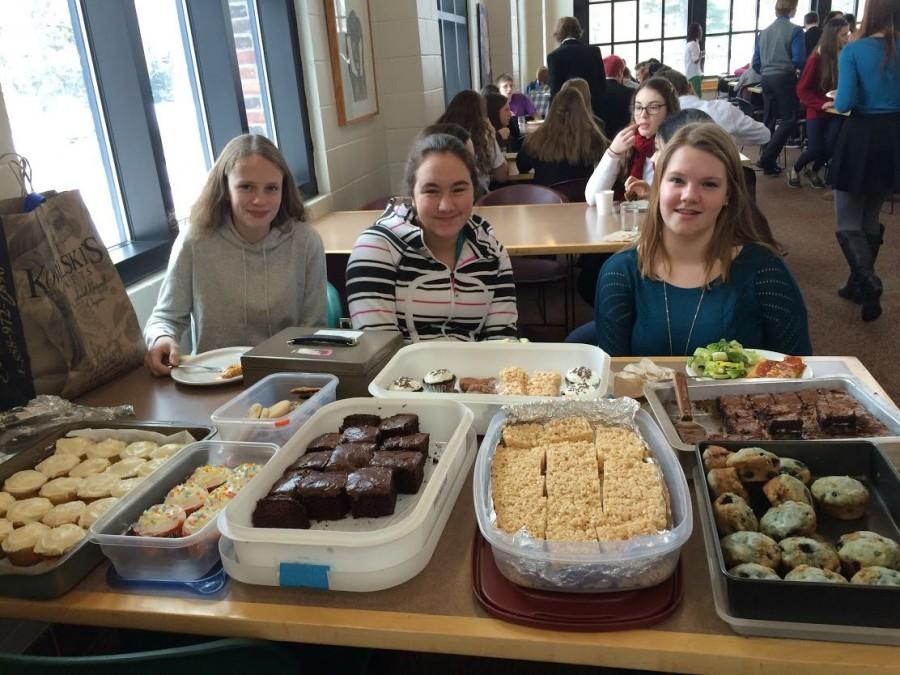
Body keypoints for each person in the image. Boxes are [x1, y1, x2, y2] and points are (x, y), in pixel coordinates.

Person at [590, 123, 811, 356]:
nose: (689, 196)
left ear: (727, 195)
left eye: (709, 184)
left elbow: (800, 374)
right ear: (658, 186)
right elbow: (612, 381)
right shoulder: (619, 273)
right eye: (677, 180)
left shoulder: (765, 271)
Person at [143, 134, 326, 376]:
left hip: (285, 376)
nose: (260, 200)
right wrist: (161, 338)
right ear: (226, 188)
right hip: (212, 379)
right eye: (246, 187)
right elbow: (166, 317)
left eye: (271, 188)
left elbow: (312, 329)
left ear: (284, 190)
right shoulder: (194, 241)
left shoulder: (306, 242)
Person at [345, 133, 518, 341]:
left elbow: (502, 342)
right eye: (431, 191)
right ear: (412, 196)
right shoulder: (376, 249)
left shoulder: (492, 251)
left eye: (459, 189)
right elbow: (379, 351)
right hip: (402, 372)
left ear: (475, 191)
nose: (446, 205)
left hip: (477, 372)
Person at [829, 0, 900, 322]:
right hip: (894, 137)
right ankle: (857, 282)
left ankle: (868, 283)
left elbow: (844, 102)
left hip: (862, 137)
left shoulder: (854, 51)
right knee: (870, 216)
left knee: (847, 220)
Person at [584, 77, 680, 203]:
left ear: (669, 111)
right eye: (638, 107)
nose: (643, 114)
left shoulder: (679, 149)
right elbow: (592, 198)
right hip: (626, 220)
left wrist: (651, 195)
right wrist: (613, 153)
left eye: (653, 107)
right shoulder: (628, 144)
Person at [789, 17, 851, 189]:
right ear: (833, 36)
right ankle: (795, 169)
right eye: (844, 35)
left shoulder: (845, 55)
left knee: (831, 147)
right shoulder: (816, 58)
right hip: (817, 110)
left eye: (848, 33)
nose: (848, 38)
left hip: (838, 110)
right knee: (816, 148)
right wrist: (821, 104)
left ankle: (814, 170)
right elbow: (802, 90)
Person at [753, 0, 807, 175]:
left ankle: (767, 160)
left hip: (766, 78)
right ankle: (767, 158)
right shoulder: (796, 31)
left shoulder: (764, 32)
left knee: (769, 118)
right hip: (784, 77)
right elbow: (799, 59)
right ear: (793, 10)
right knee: (789, 119)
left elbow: (756, 62)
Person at [515, 88, 608, 186]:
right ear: (582, 109)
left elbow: (522, 166)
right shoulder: (593, 137)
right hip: (581, 197)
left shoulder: (536, 139)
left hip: (545, 198)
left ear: (553, 109)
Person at [657, 68, 771, 148]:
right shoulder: (722, 109)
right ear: (690, 87)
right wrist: (730, 138)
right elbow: (764, 135)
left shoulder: (657, 119)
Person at [436, 90, 507, 195]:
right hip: (476, 197)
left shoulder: (438, 133)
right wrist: (493, 135)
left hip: (442, 193)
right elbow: (502, 176)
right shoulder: (483, 135)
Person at [546, 16, 607, 122]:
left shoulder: (554, 56)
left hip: (568, 116)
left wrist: (551, 120)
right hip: (593, 113)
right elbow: (602, 86)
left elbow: (555, 92)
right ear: (578, 31)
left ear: (558, 33)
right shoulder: (594, 52)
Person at [601, 54, 635, 138]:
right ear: (620, 72)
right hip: (623, 138)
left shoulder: (593, 91)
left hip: (599, 138)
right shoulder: (630, 93)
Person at [684, 23, 705, 96]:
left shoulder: (689, 43)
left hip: (689, 74)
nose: (701, 32)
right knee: (697, 96)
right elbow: (695, 60)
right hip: (694, 75)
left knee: (692, 96)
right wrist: (701, 55)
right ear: (696, 32)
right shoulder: (694, 44)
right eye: (700, 30)